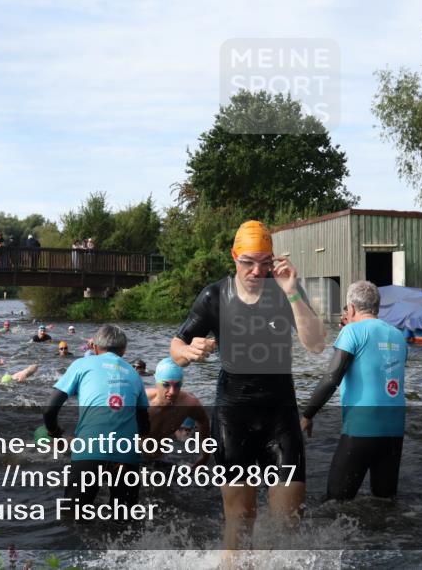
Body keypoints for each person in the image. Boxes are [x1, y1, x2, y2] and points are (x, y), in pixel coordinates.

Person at [170, 220, 325, 549]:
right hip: (233, 417)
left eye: (265, 262)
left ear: (274, 260)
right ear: (234, 257)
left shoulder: (285, 291)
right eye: (248, 262)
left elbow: (316, 344)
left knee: (289, 525)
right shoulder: (215, 295)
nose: (257, 271)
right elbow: (176, 348)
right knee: (240, 525)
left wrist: (293, 291)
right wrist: (188, 351)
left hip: (280, 417)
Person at [300, 281, 408, 501]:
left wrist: (307, 414)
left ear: (350, 309)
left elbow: (332, 379)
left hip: (362, 428)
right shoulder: (399, 335)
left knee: (336, 502)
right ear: (376, 307)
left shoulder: (352, 331)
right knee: (384, 500)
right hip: (395, 429)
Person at [43, 325, 150, 517]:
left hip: (89, 451)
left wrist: (55, 434)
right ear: (124, 350)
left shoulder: (81, 365)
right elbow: (144, 424)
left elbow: (50, 409)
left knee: (74, 521)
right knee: (125, 524)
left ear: (95, 348)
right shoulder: (134, 374)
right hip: (126, 455)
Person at [145, 358, 210, 466]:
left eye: (177, 385)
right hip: (135, 456)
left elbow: (203, 421)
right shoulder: (141, 401)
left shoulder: (189, 403)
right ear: (156, 382)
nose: (172, 392)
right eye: (166, 385)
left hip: (162, 458)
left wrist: (205, 456)